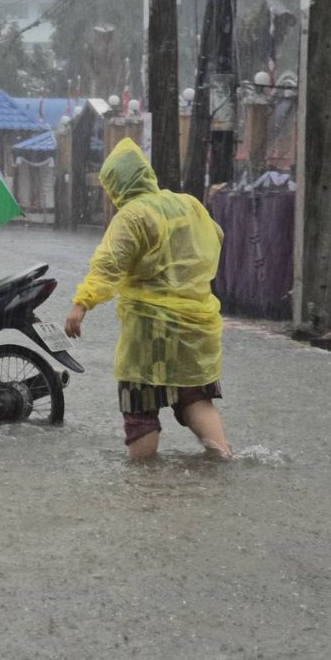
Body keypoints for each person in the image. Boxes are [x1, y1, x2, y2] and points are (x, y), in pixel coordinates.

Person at [64, 139, 231, 461]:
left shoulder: (132, 216)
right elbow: (217, 235)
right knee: (194, 398)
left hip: (148, 333)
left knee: (141, 412)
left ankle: (145, 490)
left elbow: (109, 265)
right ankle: (223, 458)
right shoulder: (189, 204)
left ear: (117, 185)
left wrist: (81, 304)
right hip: (194, 327)